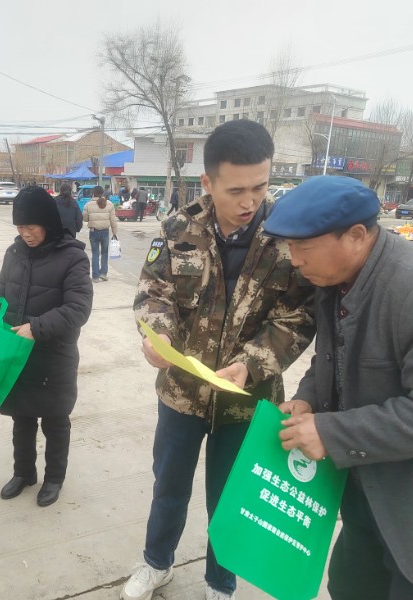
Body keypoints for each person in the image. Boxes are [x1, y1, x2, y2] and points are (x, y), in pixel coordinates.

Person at [263, 175, 413, 600]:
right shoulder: (336, 282)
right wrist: (308, 398)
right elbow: (331, 357)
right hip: (367, 501)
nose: (294, 260)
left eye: (302, 246)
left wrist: (332, 433)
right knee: (350, 586)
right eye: (289, 246)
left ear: (356, 236)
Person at [124, 120, 316, 600]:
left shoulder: (288, 237)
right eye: (236, 190)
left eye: (260, 187)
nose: (249, 202)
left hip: (247, 400)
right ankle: (157, 563)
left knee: (232, 497)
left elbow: (299, 317)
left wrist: (252, 363)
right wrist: (158, 335)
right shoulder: (177, 229)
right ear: (207, 182)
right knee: (169, 487)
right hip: (181, 392)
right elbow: (153, 295)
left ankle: (221, 583)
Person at [0, 186, 93, 507]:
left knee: (55, 421)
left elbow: (79, 308)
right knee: (22, 419)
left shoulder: (73, 257)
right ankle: (23, 473)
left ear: (47, 222)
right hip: (16, 355)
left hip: (53, 356)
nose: (25, 234)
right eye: (20, 227)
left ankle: (54, 479)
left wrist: (37, 327)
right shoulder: (15, 253)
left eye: (31, 227)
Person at [82, 185, 118, 283]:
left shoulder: (88, 205)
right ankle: (103, 274)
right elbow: (113, 220)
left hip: (93, 232)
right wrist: (114, 232)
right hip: (105, 232)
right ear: (102, 193)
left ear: (93, 193)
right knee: (104, 253)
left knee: (95, 254)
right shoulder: (109, 204)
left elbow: (85, 219)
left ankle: (95, 277)